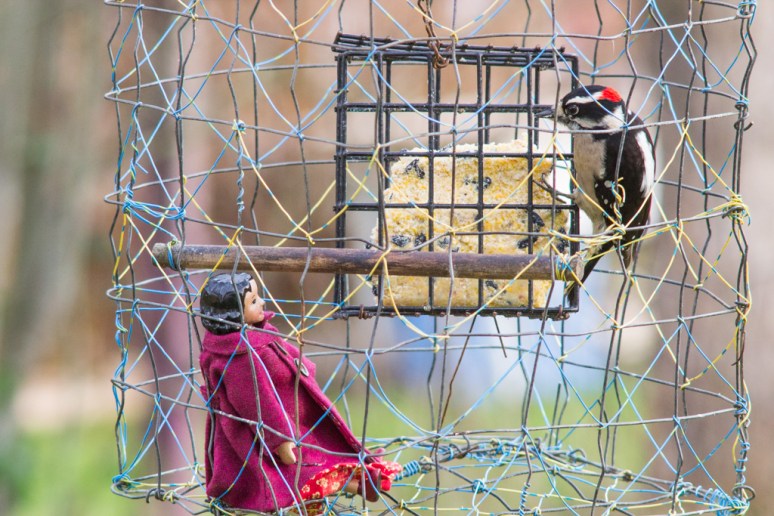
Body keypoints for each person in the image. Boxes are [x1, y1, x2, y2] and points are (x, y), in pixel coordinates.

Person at [198, 272, 400, 514]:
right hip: (265, 437)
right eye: (253, 301)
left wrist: (301, 368)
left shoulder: (253, 337)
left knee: (318, 456)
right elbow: (257, 403)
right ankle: (354, 483)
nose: (262, 303)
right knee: (298, 473)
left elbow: (285, 353)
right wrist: (279, 439)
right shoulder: (240, 358)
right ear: (232, 313)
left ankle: (359, 478)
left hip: (294, 417)